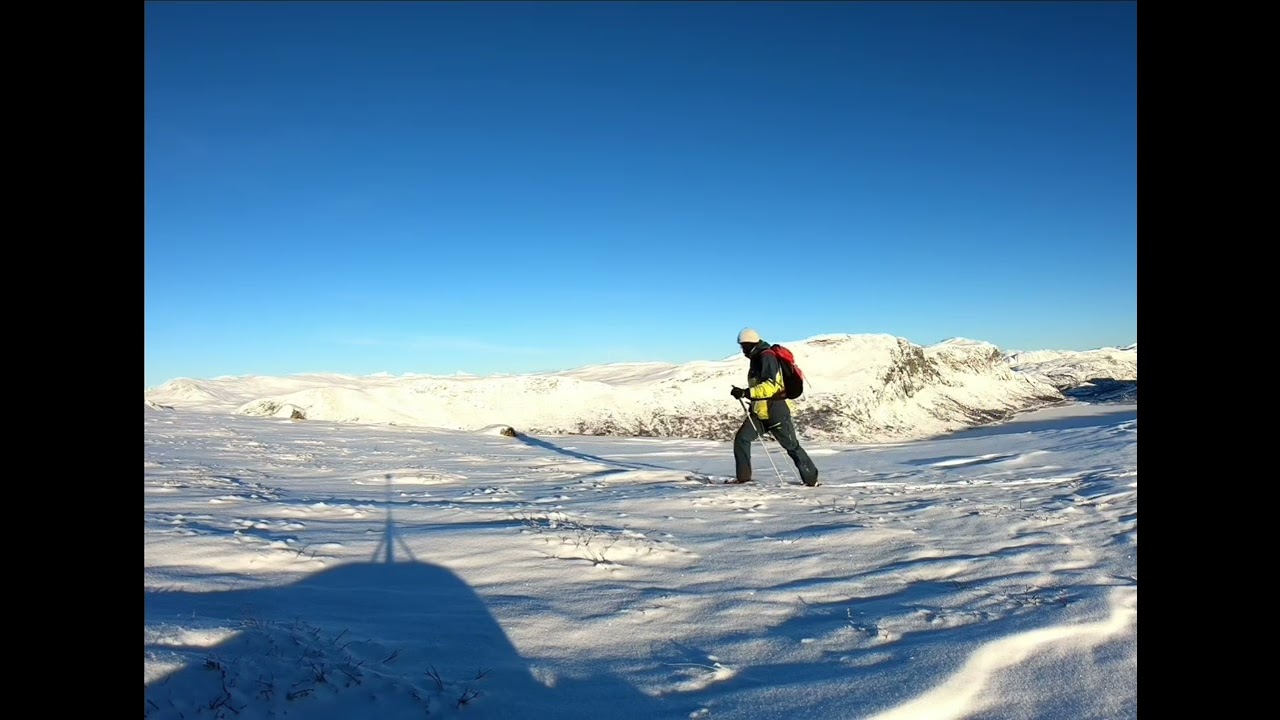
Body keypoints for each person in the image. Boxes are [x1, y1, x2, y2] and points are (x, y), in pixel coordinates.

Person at [729, 328, 820, 486]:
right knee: (742, 439)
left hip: (775, 411)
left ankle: (811, 481)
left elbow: (772, 386)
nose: (742, 350)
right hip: (759, 411)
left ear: (750, 344)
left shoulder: (767, 357)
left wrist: (745, 392)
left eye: (743, 346)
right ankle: (743, 480)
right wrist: (746, 393)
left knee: (792, 446)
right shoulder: (757, 358)